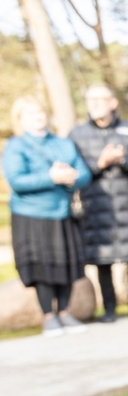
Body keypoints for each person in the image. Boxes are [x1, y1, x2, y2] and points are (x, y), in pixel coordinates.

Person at [4, 95, 91, 336]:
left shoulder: (63, 144)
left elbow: (84, 173)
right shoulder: (16, 146)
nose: (38, 118)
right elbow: (16, 180)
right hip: (31, 215)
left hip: (62, 212)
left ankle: (65, 311)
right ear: (20, 119)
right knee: (42, 267)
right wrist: (50, 178)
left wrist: (71, 177)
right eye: (31, 114)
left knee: (67, 263)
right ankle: (48, 315)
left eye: (40, 112)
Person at [70, 84, 128, 322]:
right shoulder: (77, 134)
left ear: (112, 103)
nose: (94, 104)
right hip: (96, 204)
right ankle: (109, 309)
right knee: (102, 260)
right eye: (90, 100)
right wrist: (101, 163)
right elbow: (76, 169)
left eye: (99, 99)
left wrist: (123, 160)